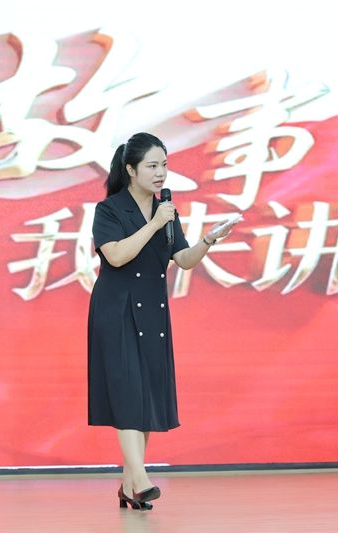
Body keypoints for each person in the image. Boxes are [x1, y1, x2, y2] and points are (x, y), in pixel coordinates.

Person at [87, 132, 241, 510]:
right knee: (127, 393)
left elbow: (183, 260)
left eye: (164, 165)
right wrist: (154, 224)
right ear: (131, 169)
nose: (160, 173)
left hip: (152, 311)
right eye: (152, 166)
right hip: (116, 310)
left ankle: (129, 484)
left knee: (145, 395)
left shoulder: (167, 211)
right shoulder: (110, 210)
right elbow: (116, 256)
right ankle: (141, 479)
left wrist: (208, 240)